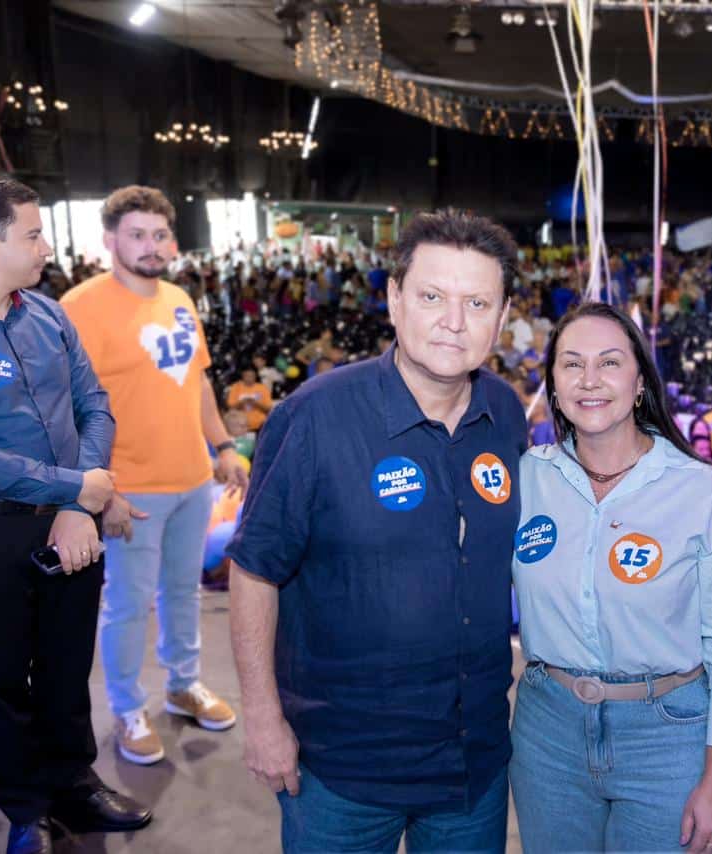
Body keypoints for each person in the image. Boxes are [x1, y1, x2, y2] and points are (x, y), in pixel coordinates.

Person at [227, 210, 527, 852]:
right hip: (342, 770)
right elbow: (255, 569)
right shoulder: (314, 417)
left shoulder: (504, 413)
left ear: (502, 318)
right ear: (394, 300)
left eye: (477, 302)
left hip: (471, 763)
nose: (454, 321)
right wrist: (261, 715)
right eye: (431, 297)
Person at [0, 173, 150, 854]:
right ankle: (26, 809)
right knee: (3, 678)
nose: (47, 246)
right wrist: (75, 490)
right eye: (32, 233)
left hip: (69, 521)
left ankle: (74, 786)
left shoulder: (47, 313)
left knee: (64, 665)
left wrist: (76, 503)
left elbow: (95, 405)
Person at [511, 301, 712, 853]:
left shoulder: (701, 491)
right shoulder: (527, 479)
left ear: (639, 382)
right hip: (547, 733)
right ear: (553, 386)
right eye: (571, 364)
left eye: (609, 362)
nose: (590, 380)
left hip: (667, 735)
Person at [61, 187, 246, 766]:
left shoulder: (180, 299)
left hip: (193, 480)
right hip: (130, 489)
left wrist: (222, 444)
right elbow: (65, 409)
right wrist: (102, 488)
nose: (152, 245)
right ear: (110, 239)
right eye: (137, 234)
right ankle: (127, 708)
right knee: (128, 604)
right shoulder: (79, 307)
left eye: (160, 234)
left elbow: (199, 383)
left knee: (182, 593)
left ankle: (183, 683)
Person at [227, 364, 275, 432]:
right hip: (240, 427)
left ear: (255, 376)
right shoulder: (235, 387)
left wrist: (256, 403)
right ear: (242, 376)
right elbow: (230, 408)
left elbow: (269, 409)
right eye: (247, 376)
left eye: (252, 376)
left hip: (260, 426)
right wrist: (242, 402)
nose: (249, 378)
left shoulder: (262, 388)